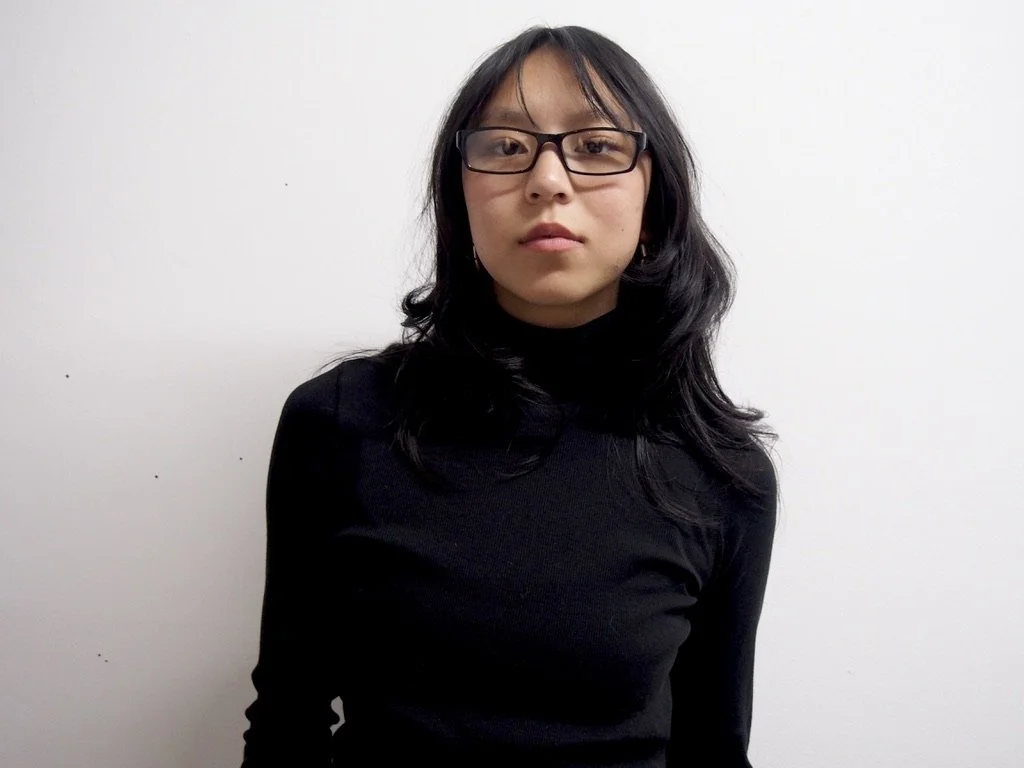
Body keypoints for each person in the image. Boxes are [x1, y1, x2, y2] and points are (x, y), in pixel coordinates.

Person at [240, 24, 779, 768]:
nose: (548, 180)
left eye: (596, 145)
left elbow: (713, 752)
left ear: (654, 200)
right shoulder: (339, 422)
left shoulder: (722, 473)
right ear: (460, 198)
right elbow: (286, 725)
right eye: (504, 146)